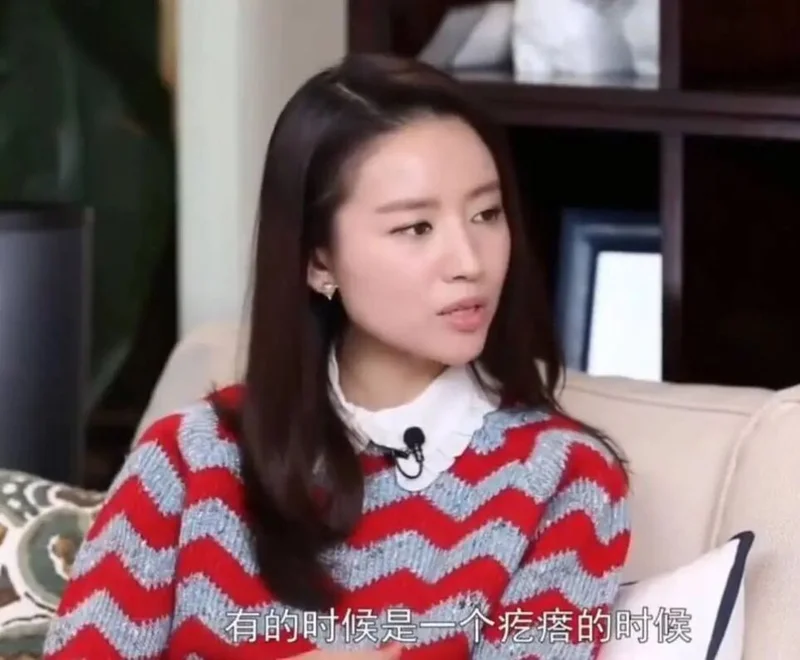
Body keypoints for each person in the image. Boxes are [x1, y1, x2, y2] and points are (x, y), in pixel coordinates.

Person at [43, 53, 631, 659]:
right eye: (416, 227)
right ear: (318, 259)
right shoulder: (188, 459)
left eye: (486, 213)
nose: (469, 262)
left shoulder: (563, 480)